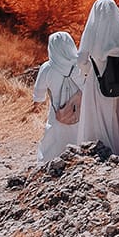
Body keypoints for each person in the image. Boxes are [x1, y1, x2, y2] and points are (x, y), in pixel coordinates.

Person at [75, 0, 119, 158]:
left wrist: (88, 71)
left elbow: (81, 59)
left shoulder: (92, 31)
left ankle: (104, 151)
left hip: (97, 78)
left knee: (100, 116)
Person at [31, 31, 85, 164]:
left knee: (54, 138)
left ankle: (51, 163)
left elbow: (39, 93)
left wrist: (35, 106)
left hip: (57, 114)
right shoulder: (80, 65)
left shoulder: (47, 68)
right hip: (81, 111)